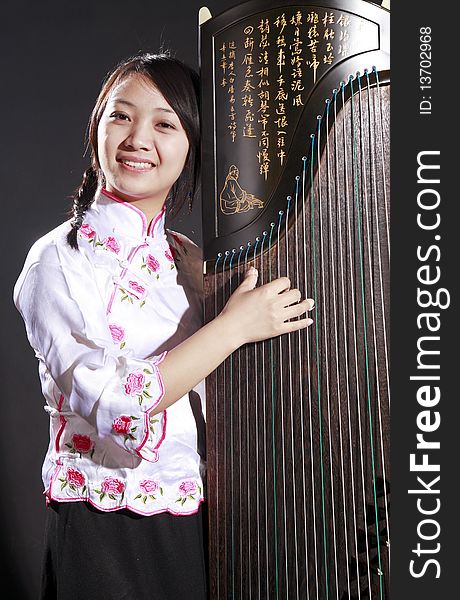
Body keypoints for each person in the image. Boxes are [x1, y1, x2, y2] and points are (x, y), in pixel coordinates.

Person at [13, 52, 314, 600]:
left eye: (165, 124)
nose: (137, 138)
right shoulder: (58, 260)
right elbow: (112, 402)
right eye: (121, 116)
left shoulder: (185, 258)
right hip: (103, 521)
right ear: (97, 129)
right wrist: (231, 328)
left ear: (192, 149)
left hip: (198, 513)